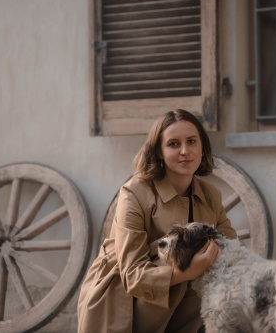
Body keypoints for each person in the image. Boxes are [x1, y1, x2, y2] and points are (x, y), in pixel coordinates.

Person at [77, 109, 237, 333]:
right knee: (182, 259)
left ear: (202, 148)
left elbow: (230, 248)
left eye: (191, 141)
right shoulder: (134, 193)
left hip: (182, 297)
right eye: (173, 144)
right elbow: (133, 276)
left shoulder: (211, 194)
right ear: (159, 152)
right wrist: (190, 271)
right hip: (123, 297)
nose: (185, 151)